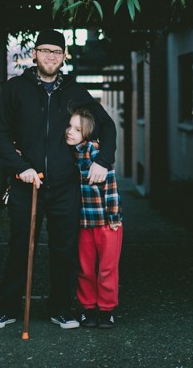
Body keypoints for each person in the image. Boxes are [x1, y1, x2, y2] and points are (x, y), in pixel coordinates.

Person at [0, 29, 117, 330]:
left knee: (65, 250)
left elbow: (107, 127)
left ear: (64, 56)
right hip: (26, 184)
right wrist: (20, 167)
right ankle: (6, 309)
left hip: (64, 187)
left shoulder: (75, 92)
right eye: (45, 50)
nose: (50, 56)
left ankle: (61, 309)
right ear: (34, 53)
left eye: (56, 52)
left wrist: (103, 160)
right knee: (20, 247)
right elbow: (0, 133)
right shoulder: (15, 89)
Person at [65, 108, 123, 329]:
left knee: (107, 267)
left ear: (87, 132)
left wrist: (114, 216)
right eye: (69, 126)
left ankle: (107, 310)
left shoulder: (96, 153)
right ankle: (88, 308)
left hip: (107, 222)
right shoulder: (68, 154)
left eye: (78, 129)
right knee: (85, 267)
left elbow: (110, 187)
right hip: (82, 222)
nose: (70, 132)